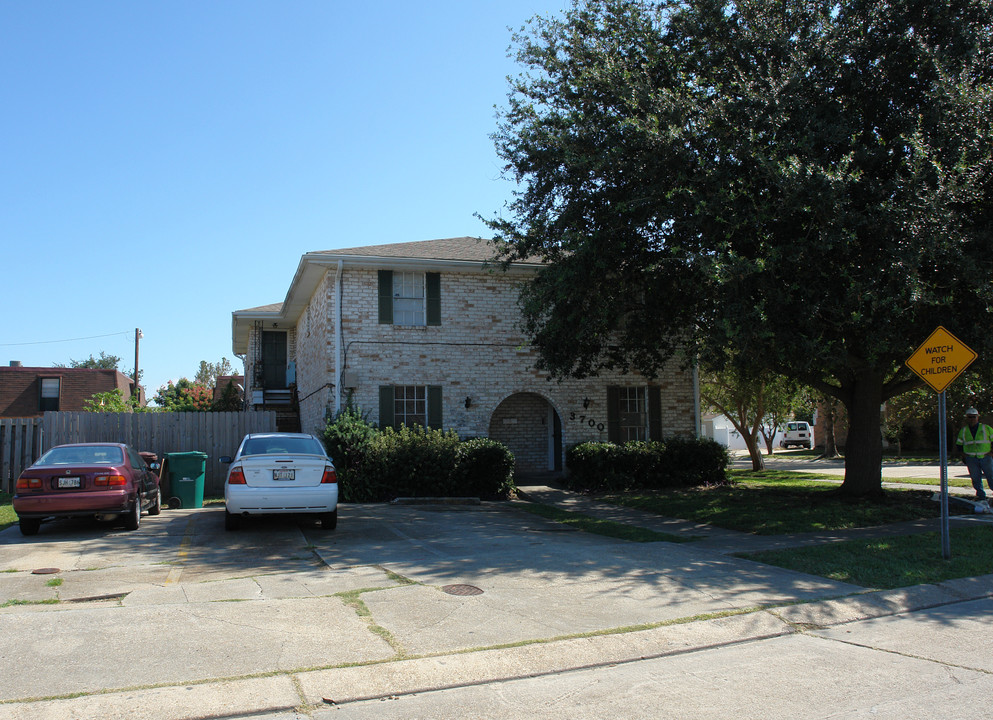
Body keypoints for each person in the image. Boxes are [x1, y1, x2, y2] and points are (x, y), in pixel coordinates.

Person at [956, 408, 993, 504]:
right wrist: (964, 455)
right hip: (971, 458)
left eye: (974, 417)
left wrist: (991, 453)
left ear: (978, 417)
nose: (972, 419)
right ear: (967, 418)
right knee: (976, 478)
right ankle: (981, 497)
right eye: (970, 417)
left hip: (986, 457)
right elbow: (959, 444)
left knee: (991, 477)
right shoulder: (964, 431)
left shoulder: (986, 428)